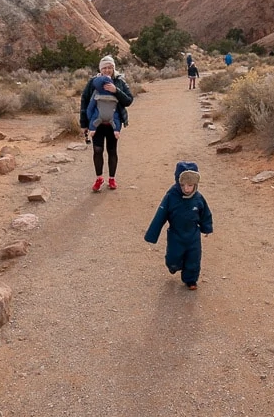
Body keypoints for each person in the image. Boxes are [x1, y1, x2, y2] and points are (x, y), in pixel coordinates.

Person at [144, 161, 213, 290]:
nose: (187, 188)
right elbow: (160, 216)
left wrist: (207, 228)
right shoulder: (171, 197)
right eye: (183, 185)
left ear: (195, 184)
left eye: (190, 185)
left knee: (194, 258)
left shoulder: (198, 198)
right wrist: (151, 235)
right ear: (178, 183)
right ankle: (173, 265)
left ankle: (191, 280)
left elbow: (205, 214)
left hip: (193, 235)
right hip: (176, 234)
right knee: (173, 257)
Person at [80, 55, 133, 192]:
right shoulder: (93, 82)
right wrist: (84, 124)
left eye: (110, 67)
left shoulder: (119, 81)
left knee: (111, 150)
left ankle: (111, 179)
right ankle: (99, 178)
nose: (107, 70)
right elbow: (85, 102)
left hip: (113, 124)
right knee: (97, 150)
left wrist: (116, 91)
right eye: (105, 68)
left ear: (113, 68)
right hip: (96, 124)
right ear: (100, 69)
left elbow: (128, 100)